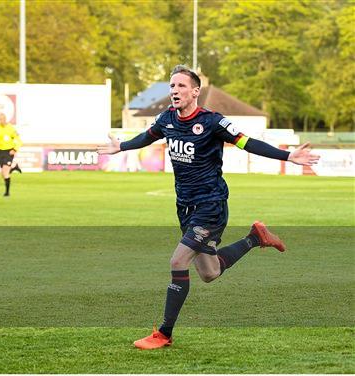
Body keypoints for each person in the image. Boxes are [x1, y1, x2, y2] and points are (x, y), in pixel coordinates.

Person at [97, 65, 320, 350]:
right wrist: (123, 146)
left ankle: (164, 334)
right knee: (209, 272)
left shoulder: (213, 122)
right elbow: (147, 137)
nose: (174, 91)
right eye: (171, 86)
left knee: (178, 261)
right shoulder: (166, 119)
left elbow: (247, 143)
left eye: (180, 86)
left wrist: (288, 155)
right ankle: (255, 238)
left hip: (211, 205)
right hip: (185, 207)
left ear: (195, 91)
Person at [0, 113, 22, 197]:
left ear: (5, 119)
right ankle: (14, 167)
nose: (1, 121)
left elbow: (19, 140)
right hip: (0, 151)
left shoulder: (10, 128)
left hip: (9, 151)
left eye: (2, 119)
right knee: (2, 174)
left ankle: (7, 193)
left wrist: (15, 149)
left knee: (5, 172)